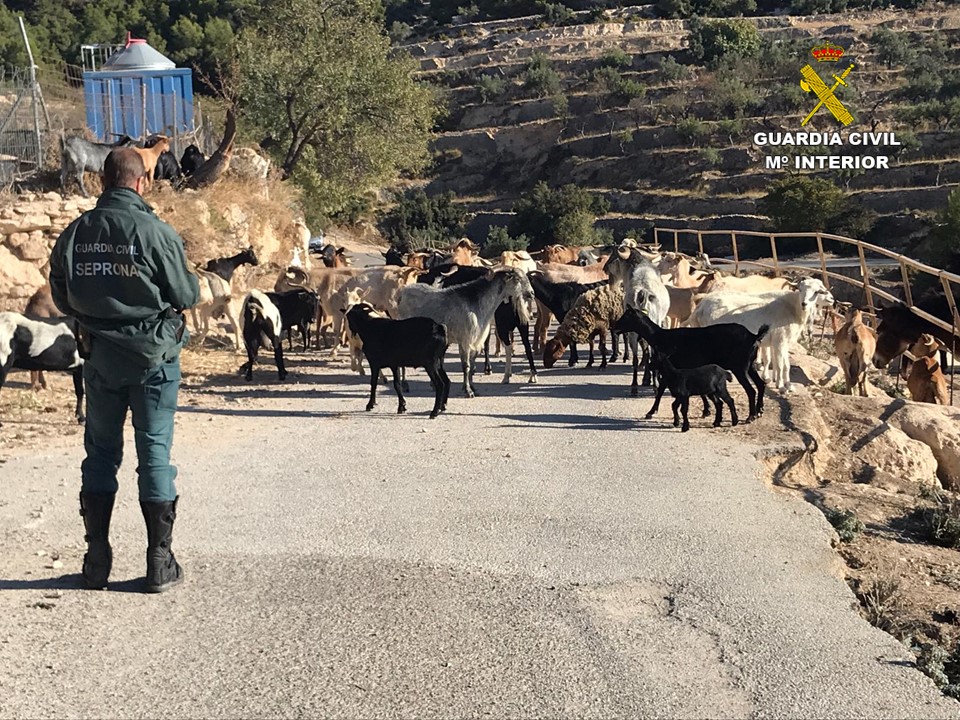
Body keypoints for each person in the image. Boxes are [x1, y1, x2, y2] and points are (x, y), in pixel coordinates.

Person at [49, 148, 200, 593]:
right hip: (153, 360)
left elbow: (61, 293)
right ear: (142, 183)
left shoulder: (76, 233)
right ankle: (159, 562)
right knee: (154, 455)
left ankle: (96, 561)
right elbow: (186, 293)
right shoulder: (156, 231)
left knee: (100, 455)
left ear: (101, 181)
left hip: (98, 361)